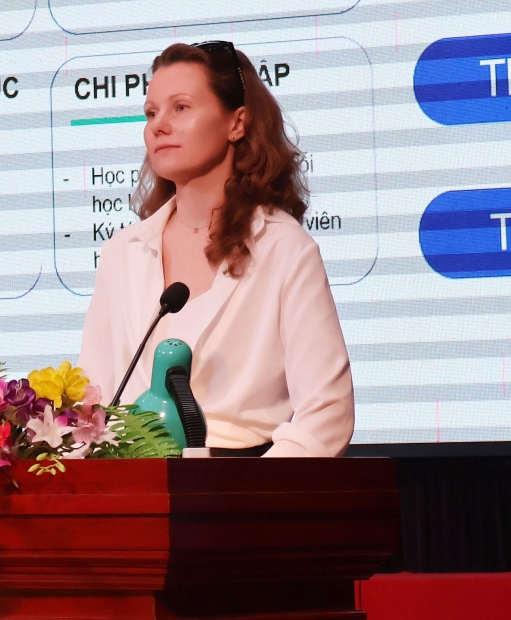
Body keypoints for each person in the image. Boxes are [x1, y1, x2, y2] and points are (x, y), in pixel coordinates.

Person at [78, 41, 354, 456]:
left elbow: (327, 412)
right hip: (135, 479)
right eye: (151, 113)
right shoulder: (123, 251)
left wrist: (250, 491)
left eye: (181, 108)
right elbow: (91, 402)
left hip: (243, 479)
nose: (158, 126)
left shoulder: (284, 248)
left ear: (237, 123)